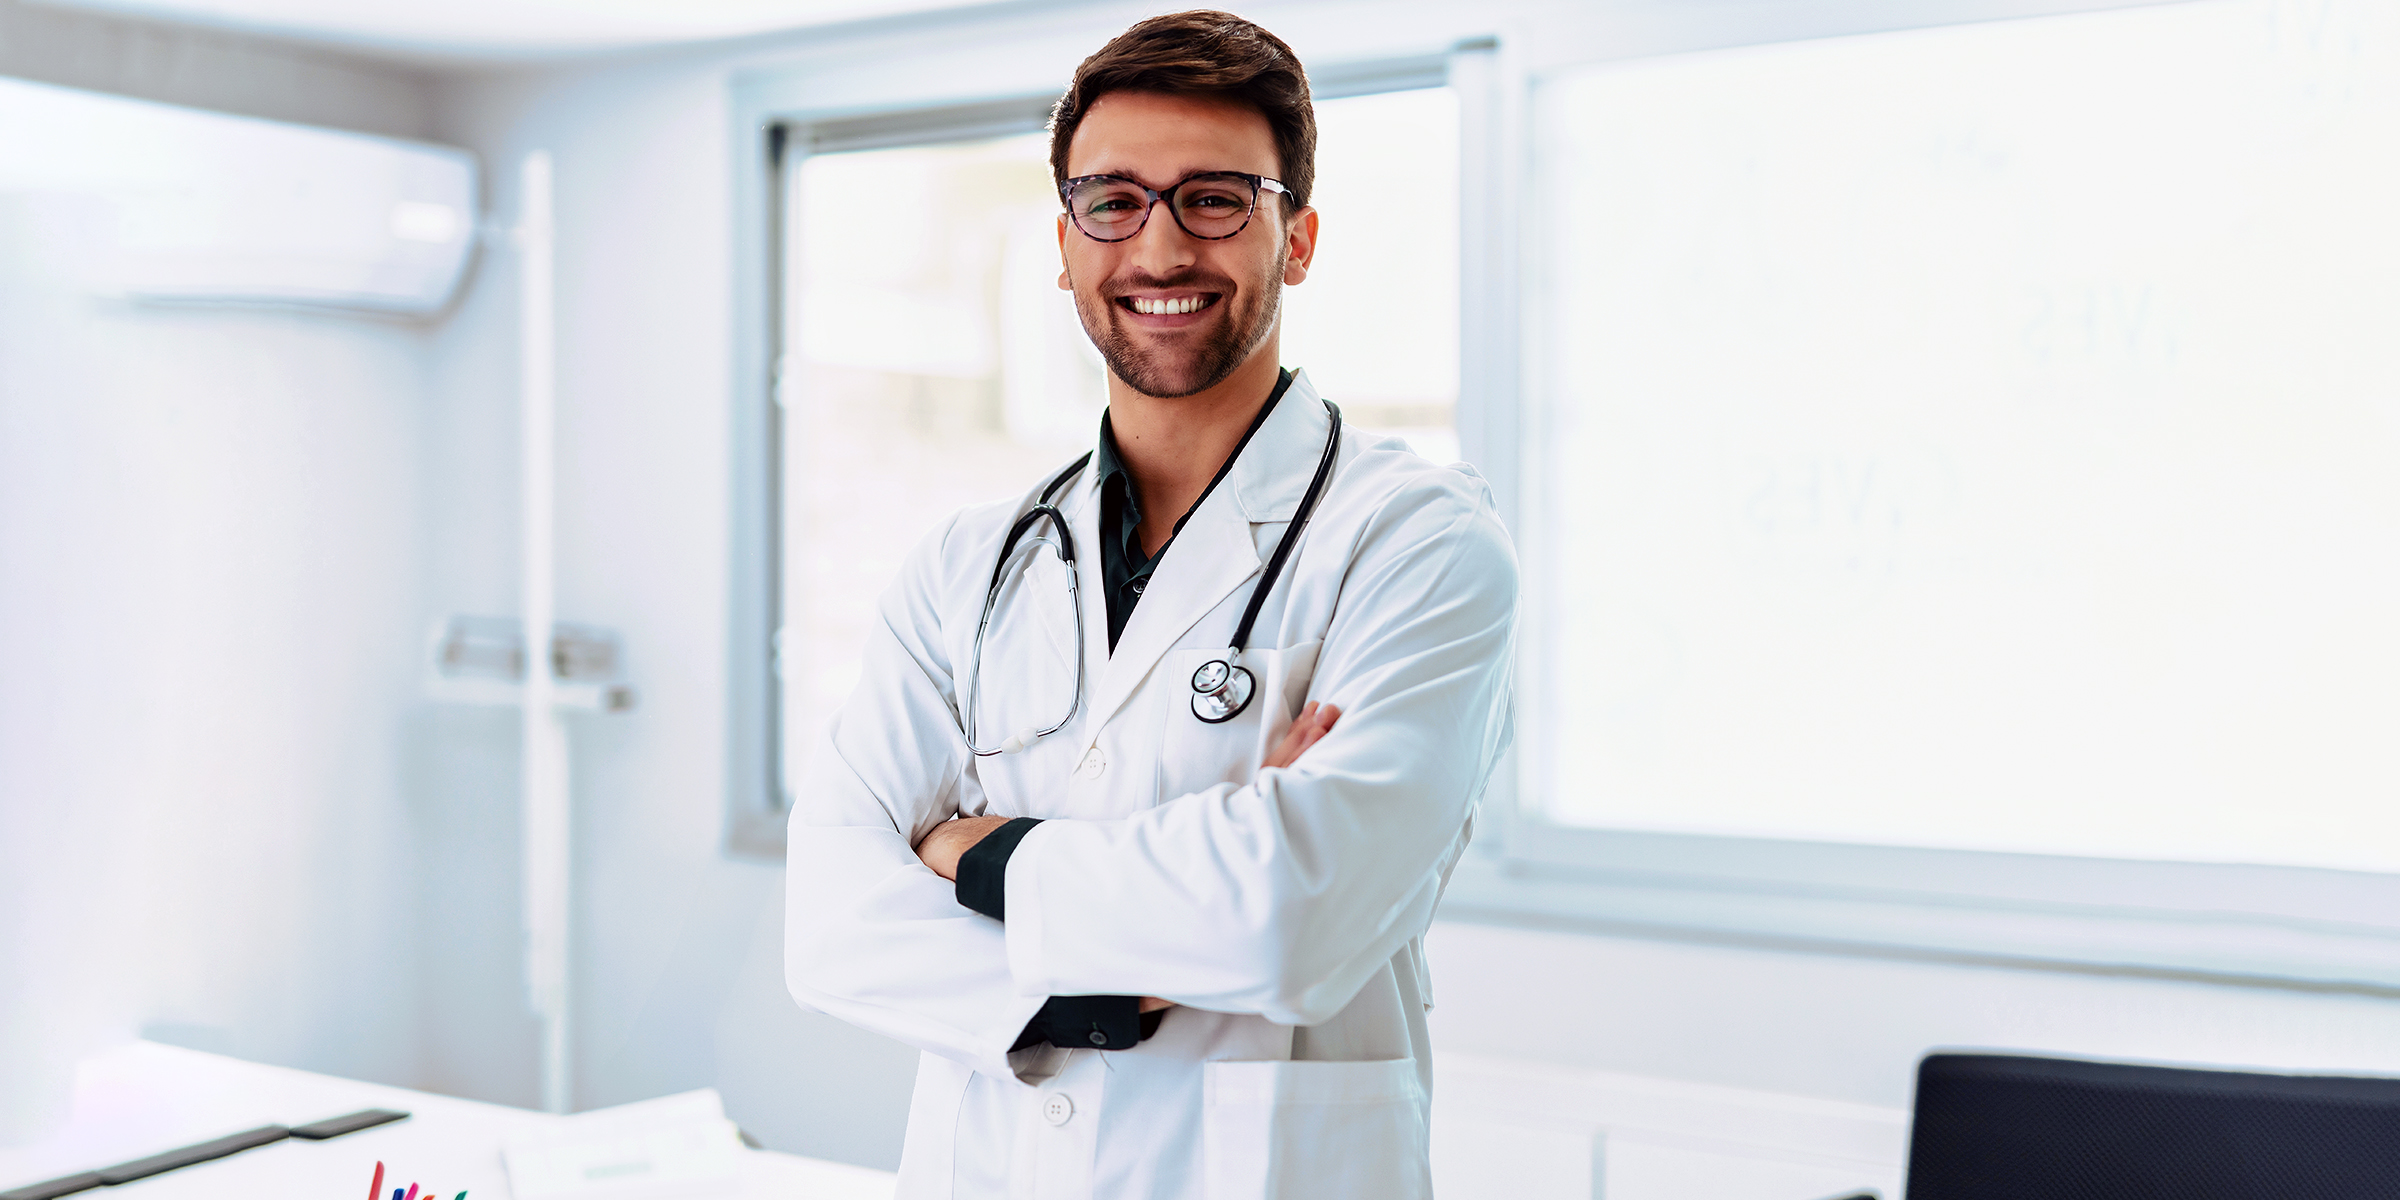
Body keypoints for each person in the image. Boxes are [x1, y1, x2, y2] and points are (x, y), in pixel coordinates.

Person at [783, 11, 1517, 1199]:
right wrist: (1139, 959)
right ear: (1066, 244)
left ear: (1299, 237)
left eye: (1216, 199)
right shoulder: (966, 569)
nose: (1161, 249)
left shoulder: (1418, 544)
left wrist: (973, 851)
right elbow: (831, 922)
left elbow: (1292, 917)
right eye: (1112, 201)